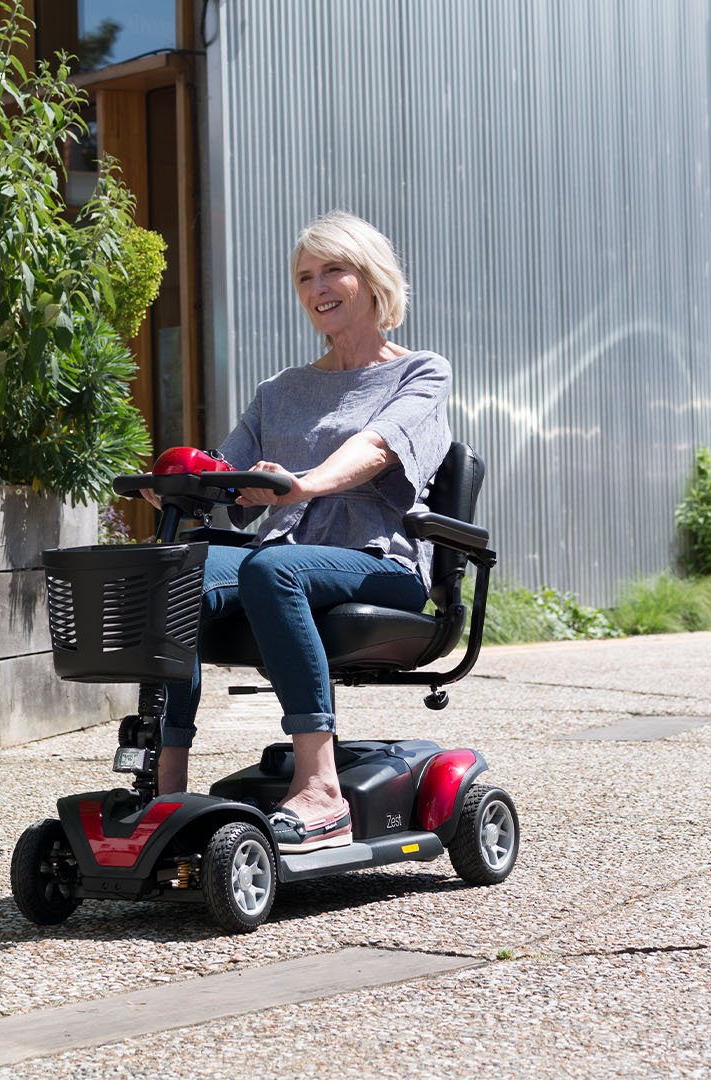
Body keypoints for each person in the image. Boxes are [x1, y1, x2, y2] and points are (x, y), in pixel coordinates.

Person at [144, 211, 451, 854]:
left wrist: (305, 483)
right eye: (305, 277)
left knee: (269, 569)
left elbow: (376, 446)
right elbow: (220, 474)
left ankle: (320, 788)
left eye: (333, 270)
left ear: (371, 280)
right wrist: (180, 484)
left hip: (378, 561)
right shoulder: (280, 390)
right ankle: (164, 784)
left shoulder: (420, 373)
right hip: (283, 554)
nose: (318, 287)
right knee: (168, 575)